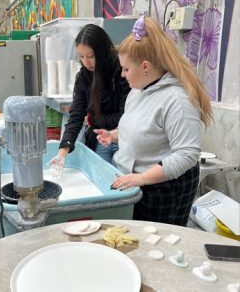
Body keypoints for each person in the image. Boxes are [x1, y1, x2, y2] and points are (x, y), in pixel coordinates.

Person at [99, 16, 213, 226]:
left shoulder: (177, 100)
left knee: (158, 242)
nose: (122, 75)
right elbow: (139, 126)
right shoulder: (139, 90)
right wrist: (114, 135)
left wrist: (142, 179)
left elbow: (187, 154)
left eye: (125, 69)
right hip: (137, 181)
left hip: (164, 189)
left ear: (145, 66)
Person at [49, 24, 131, 169]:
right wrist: (62, 152)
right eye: (81, 56)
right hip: (101, 139)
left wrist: (94, 119)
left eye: (91, 56)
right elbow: (76, 116)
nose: (86, 62)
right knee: (101, 177)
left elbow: (127, 116)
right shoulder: (83, 77)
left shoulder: (122, 71)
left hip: (125, 138)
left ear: (102, 51)